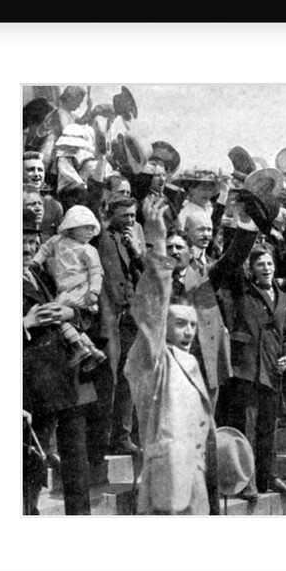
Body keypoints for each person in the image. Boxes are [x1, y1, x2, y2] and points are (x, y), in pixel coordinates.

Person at [124, 200, 219, 515]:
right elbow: (152, 302)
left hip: (194, 479)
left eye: (192, 324)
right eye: (180, 324)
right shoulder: (154, 357)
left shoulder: (190, 362)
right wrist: (158, 241)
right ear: (163, 328)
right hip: (166, 480)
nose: (189, 331)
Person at [23, 210, 94, 515]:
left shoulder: (47, 272)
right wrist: (23, 322)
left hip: (69, 373)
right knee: (31, 465)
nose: (27, 249)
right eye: (20, 243)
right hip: (32, 386)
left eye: (32, 242)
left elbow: (84, 310)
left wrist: (69, 314)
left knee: (77, 461)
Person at [218, 248, 286, 498]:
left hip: (273, 368)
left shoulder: (282, 297)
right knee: (248, 427)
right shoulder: (243, 291)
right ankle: (247, 481)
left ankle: (270, 477)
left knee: (268, 427)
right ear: (251, 269)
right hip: (248, 368)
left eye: (270, 263)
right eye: (260, 264)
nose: (266, 268)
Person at [182, 208, 259, 411]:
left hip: (211, 346)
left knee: (208, 413)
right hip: (187, 347)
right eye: (200, 229)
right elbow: (232, 258)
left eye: (209, 229)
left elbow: (231, 261)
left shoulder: (209, 261)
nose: (207, 234)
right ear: (186, 230)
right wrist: (246, 227)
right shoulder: (180, 261)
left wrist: (247, 223)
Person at [95, 196, 146, 455]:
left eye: (133, 216)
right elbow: (94, 201)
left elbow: (149, 274)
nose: (130, 221)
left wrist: (137, 250)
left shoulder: (133, 242)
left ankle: (122, 437)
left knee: (128, 377)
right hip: (109, 318)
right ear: (111, 215)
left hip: (130, 319)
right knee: (109, 378)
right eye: (125, 215)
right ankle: (101, 438)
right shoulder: (101, 235)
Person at [31, 205, 107, 369]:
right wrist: (36, 261)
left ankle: (78, 347)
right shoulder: (56, 241)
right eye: (86, 227)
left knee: (55, 314)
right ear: (72, 227)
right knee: (66, 319)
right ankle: (92, 349)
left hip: (79, 289)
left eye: (92, 229)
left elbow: (96, 271)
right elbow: (44, 249)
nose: (90, 232)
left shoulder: (88, 249)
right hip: (63, 288)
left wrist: (94, 291)